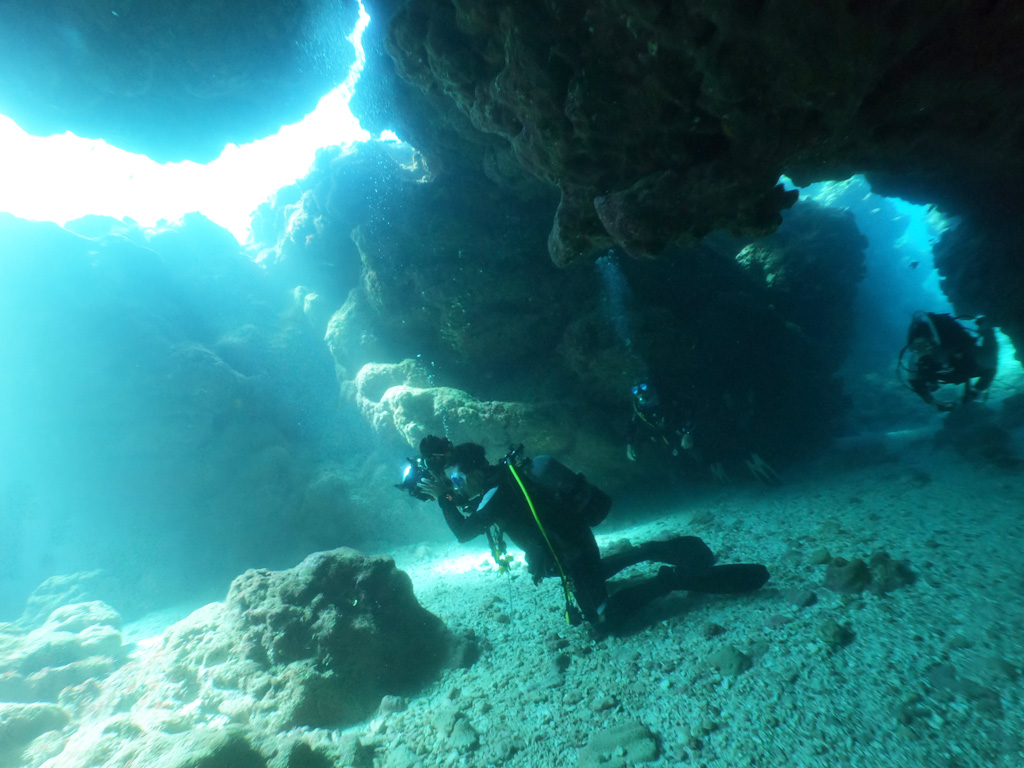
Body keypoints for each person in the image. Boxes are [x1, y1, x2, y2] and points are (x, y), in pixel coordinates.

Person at [415, 435, 770, 633]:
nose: (457, 487)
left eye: (459, 479)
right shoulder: (504, 483)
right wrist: (446, 491)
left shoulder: (496, 494)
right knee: (589, 578)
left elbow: (463, 532)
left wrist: (442, 500)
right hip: (576, 546)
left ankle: (671, 580)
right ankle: (646, 551)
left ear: (476, 472)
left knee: (603, 621)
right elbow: (473, 512)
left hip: (574, 552)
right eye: (454, 482)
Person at [626, 381, 778, 485]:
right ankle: (716, 465)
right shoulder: (639, 410)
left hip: (688, 430)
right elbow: (633, 424)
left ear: (651, 387)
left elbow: (689, 411)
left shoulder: (667, 399)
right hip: (672, 438)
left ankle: (745, 457)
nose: (640, 393)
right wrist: (629, 443)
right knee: (688, 455)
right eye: (635, 390)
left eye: (644, 387)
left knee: (707, 441)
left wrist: (687, 431)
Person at [901, 311, 998, 411]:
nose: (921, 352)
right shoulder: (915, 360)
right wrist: (933, 402)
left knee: (986, 355)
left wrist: (973, 393)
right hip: (956, 369)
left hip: (963, 362)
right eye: (916, 348)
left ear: (934, 344)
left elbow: (990, 369)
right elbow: (916, 383)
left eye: (925, 345)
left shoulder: (959, 349)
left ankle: (986, 328)